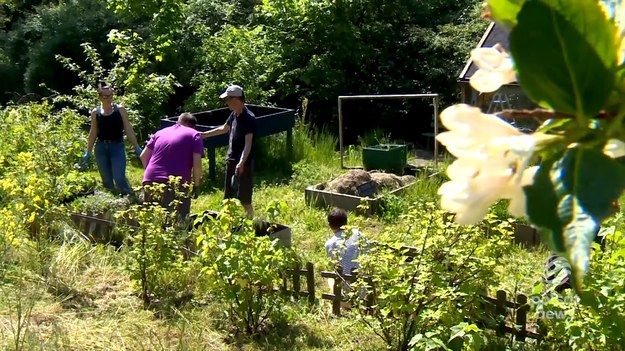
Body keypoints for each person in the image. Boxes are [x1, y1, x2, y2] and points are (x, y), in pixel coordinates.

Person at [201, 85, 256, 219]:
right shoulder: (233, 114)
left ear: (236, 99)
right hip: (231, 160)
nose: (226, 103)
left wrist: (241, 163)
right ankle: (228, 224)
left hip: (243, 164)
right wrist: (203, 135)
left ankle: (250, 224)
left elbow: (248, 144)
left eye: (228, 99)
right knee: (228, 198)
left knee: (244, 198)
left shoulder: (249, 118)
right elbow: (223, 129)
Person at [80, 81, 142, 195]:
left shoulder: (120, 110)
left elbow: (128, 129)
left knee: (119, 178)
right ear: (99, 97)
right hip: (101, 148)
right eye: (105, 96)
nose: (109, 98)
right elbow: (93, 132)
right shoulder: (95, 112)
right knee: (107, 182)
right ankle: (113, 204)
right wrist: (88, 152)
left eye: (110, 95)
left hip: (117, 147)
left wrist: (137, 147)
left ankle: (130, 198)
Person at [140, 112, 204, 220]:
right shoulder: (194, 134)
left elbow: (143, 156)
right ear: (193, 126)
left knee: (151, 221)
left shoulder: (160, 132)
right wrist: (196, 185)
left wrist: (153, 175)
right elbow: (197, 164)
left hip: (150, 179)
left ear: (178, 121)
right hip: (175, 183)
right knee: (178, 223)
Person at [325, 207, 365, 277]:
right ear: (346, 222)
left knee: (330, 278)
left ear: (329, 225)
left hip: (345, 283)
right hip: (365, 281)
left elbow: (334, 263)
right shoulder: (358, 233)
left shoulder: (330, 244)